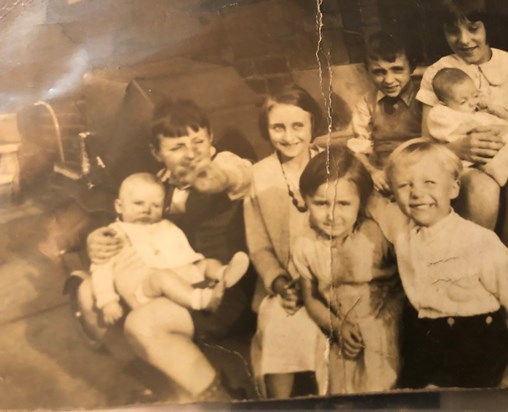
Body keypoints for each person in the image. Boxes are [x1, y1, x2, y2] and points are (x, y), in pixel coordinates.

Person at [81, 99, 256, 401]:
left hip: (227, 285)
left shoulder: (223, 162)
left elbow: (237, 174)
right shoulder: (159, 184)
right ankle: (165, 386)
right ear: (157, 154)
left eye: (199, 141)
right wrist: (95, 237)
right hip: (181, 279)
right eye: (176, 148)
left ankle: (221, 400)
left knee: (141, 323)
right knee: (87, 292)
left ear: (210, 138)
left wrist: (215, 176)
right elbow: (115, 202)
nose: (191, 154)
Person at [374, 139, 508, 388]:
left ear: (454, 189)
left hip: (473, 340)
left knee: (453, 396)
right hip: (423, 336)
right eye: (404, 185)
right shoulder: (400, 228)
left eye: (430, 183)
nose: (417, 193)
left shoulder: (477, 240)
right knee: (409, 393)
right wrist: (371, 172)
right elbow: (371, 203)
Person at [417, 0, 508, 279]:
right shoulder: (437, 73)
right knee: (481, 188)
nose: (464, 39)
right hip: (463, 168)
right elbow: (425, 147)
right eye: (452, 31)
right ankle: (471, 280)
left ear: (489, 25)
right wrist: (456, 148)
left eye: (473, 28)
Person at [294, 147, 402, 394]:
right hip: (342, 327)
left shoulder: (375, 235)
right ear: (305, 200)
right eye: (321, 203)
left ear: (360, 203)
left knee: (379, 386)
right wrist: (337, 326)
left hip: (383, 325)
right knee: (340, 388)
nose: (332, 215)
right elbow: (311, 298)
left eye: (343, 203)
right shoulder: (305, 245)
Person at [244, 84, 323, 398]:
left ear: (312, 125)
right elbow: (259, 245)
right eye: (278, 127)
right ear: (267, 129)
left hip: (334, 279)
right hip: (285, 284)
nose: (289, 137)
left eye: (297, 126)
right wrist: (279, 283)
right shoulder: (258, 176)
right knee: (280, 325)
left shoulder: (333, 163)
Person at [91, 172, 250, 324]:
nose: (147, 210)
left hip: (178, 278)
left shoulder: (165, 226)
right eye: (138, 203)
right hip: (143, 290)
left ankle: (224, 274)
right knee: (162, 277)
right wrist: (108, 301)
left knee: (206, 263)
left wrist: (196, 269)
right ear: (119, 206)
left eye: (155, 205)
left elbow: (184, 254)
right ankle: (202, 301)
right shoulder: (113, 234)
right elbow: (101, 269)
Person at [427, 67, 508, 188]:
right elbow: (443, 132)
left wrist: (498, 114)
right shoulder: (441, 113)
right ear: (444, 103)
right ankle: (500, 169)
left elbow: (505, 126)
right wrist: (467, 128)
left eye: (475, 96)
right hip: (470, 156)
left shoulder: (478, 113)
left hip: (495, 146)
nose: (472, 103)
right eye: (463, 101)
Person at [347, 30, 422, 196]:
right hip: (383, 176)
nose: (388, 80)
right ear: (367, 71)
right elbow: (358, 148)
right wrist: (373, 172)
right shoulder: (367, 103)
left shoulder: (424, 98)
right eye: (379, 72)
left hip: (421, 172)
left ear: (412, 67)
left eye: (397, 70)